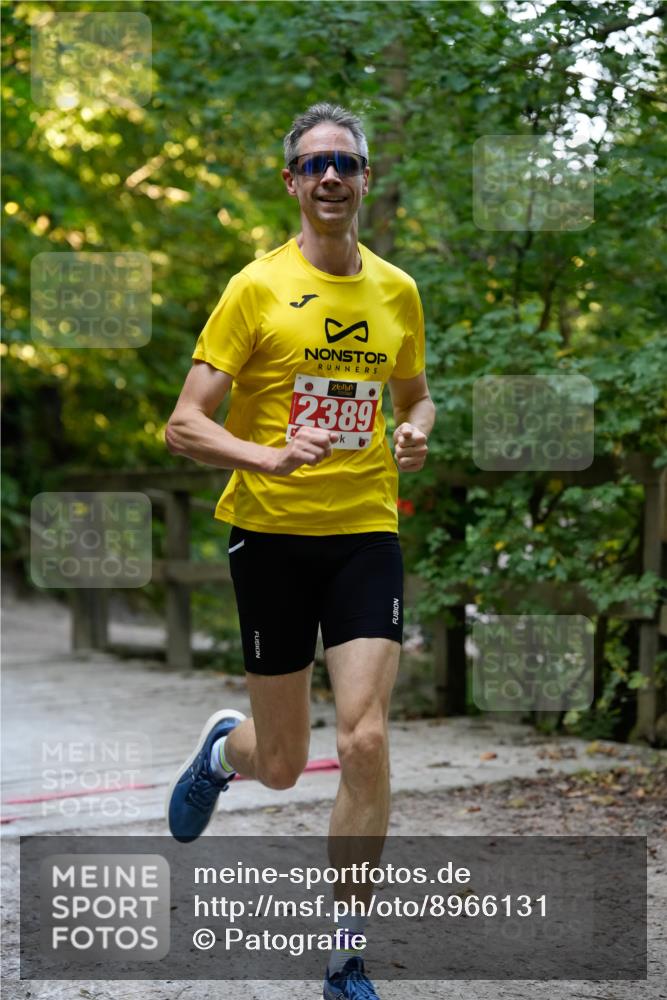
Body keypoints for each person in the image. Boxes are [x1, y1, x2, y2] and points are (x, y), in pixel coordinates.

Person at [165, 102, 435, 1000]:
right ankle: (220, 754)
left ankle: (343, 956)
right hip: (271, 534)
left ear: (364, 180)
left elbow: (415, 395)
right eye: (314, 164)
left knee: (363, 740)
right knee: (281, 765)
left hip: (364, 530)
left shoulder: (396, 290)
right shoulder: (255, 288)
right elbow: (185, 426)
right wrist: (266, 453)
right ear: (291, 183)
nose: (330, 177)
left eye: (345, 164)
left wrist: (417, 432)